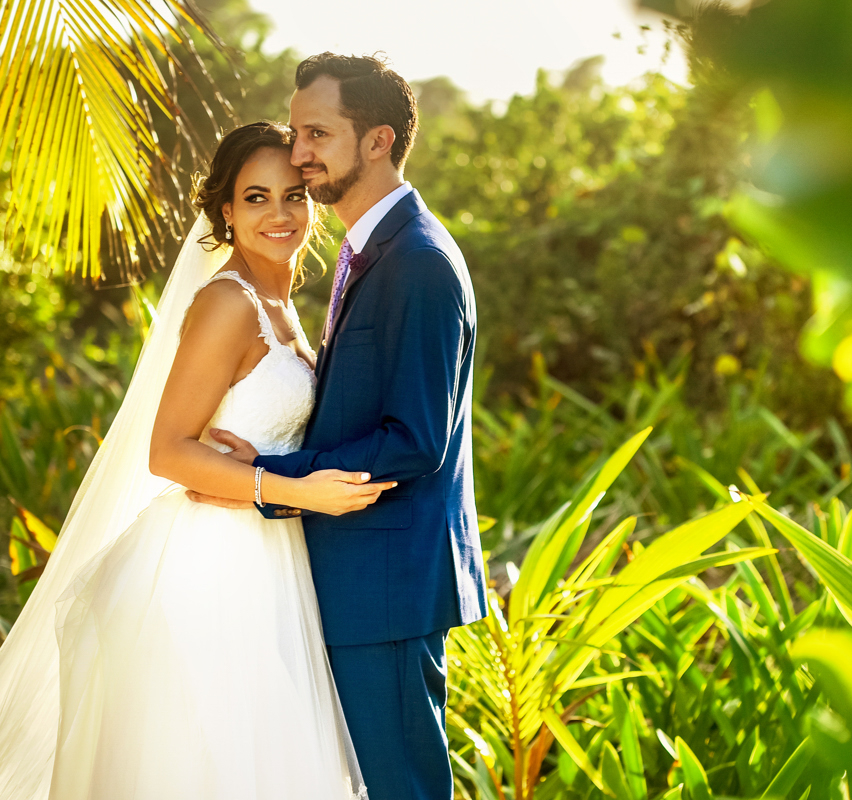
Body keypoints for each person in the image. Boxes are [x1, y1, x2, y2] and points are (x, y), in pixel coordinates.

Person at [0, 122, 384, 798]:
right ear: (226, 212)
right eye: (256, 197)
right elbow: (168, 450)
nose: (279, 214)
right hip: (213, 572)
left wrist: (276, 476)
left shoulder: (284, 306)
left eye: (293, 195)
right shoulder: (227, 303)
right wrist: (288, 489)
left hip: (273, 561)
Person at [189, 54, 488, 800]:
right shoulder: (368, 251)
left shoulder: (415, 260)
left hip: (382, 583)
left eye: (316, 133)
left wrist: (265, 482)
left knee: (400, 790)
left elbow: (415, 439)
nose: (299, 153)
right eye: (296, 132)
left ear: (379, 139)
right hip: (351, 578)